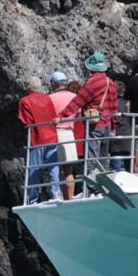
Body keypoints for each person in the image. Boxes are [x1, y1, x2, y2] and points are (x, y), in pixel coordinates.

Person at [56, 52, 120, 173]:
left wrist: (61, 115)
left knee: (91, 158)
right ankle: (103, 186)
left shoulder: (92, 82)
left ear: (91, 67)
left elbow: (78, 101)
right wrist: (113, 127)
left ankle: (92, 189)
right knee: (102, 159)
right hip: (108, 126)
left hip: (94, 125)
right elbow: (114, 107)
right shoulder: (110, 82)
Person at [19, 77, 60, 203]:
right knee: (54, 167)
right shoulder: (47, 98)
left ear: (28, 87)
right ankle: (57, 194)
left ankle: (32, 199)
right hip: (52, 136)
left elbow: (25, 120)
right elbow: (53, 115)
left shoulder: (25, 100)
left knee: (34, 169)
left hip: (37, 138)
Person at [47, 72, 81, 200]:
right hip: (69, 134)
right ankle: (69, 199)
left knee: (56, 170)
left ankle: (58, 197)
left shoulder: (49, 98)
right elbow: (79, 116)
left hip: (55, 134)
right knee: (68, 171)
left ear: (54, 83)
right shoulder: (74, 97)